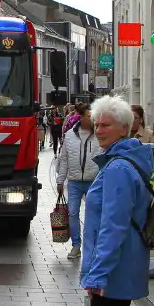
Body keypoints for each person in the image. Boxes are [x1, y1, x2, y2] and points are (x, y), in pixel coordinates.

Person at [78, 95, 151, 306]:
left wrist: (97, 275)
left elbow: (113, 226)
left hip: (114, 270)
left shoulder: (119, 168)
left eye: (106, 125)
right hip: (122, 265)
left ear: (125, 128)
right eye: (97, 124)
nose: (100, 130)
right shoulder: (122, 160)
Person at [55, 104, 100, 261]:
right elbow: (64, 159)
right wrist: (60, 180)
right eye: (89, 116)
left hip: (93, 181)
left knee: (93, 214)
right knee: (73, 212)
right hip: (74, 181)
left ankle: (92, 245)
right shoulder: (69, 135)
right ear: (81, 117)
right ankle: (76, 245)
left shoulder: (99, 135)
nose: (92, 119)